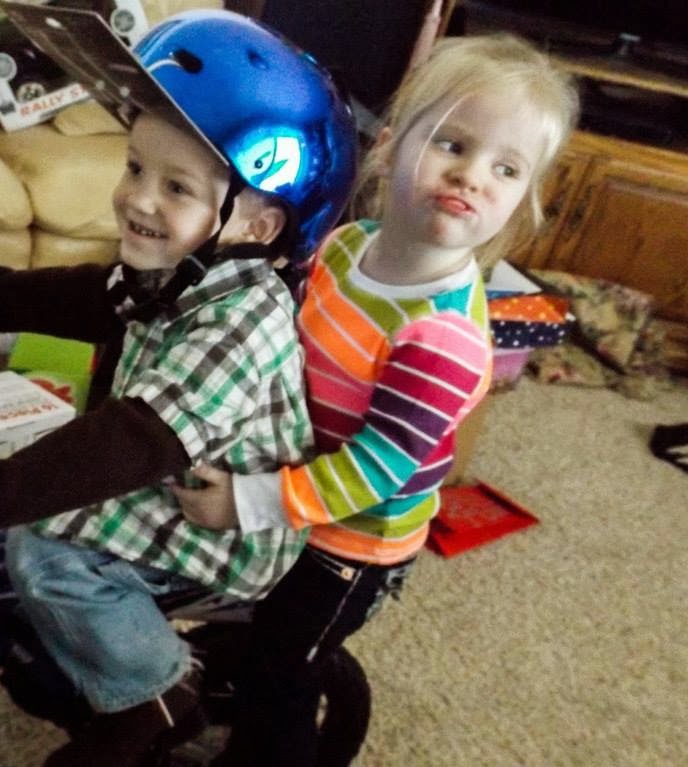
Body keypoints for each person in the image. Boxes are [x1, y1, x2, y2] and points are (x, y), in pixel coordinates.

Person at [0, 9, 358, 767]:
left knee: (45, 551)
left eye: (176, 187)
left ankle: (153, 696)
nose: (138, 199)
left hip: (221, 519)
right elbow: (98, 297)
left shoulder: (245, 323)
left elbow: (131, 442)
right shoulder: (180, 269)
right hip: (168, 474)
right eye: (134, 168)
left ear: (258, 228)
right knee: (33, 486)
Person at [173, 32, 580, 767]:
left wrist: (251, 501)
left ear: (521, 204)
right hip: (297, 474)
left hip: (350, 542)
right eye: (452, 143)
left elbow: (376, 470)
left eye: (506, 168)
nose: (472, 176)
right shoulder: (347, 244)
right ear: (389, 149)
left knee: (278, 674)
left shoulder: (440, 337)